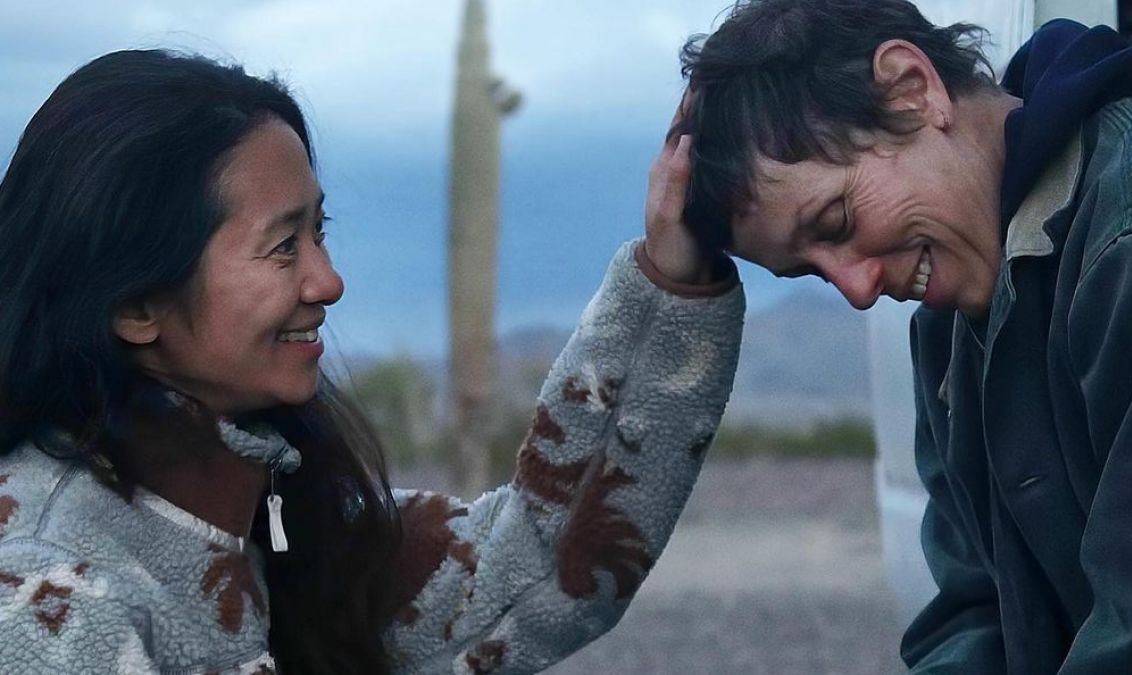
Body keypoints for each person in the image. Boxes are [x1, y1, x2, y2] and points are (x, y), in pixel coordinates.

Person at [0, 49, 744, 674]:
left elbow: (534, 568)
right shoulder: (49, 592)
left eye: (319, 231)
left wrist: (674, 282)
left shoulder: (275, 509)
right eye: (284, 244)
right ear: (135, 306)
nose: (328, 281)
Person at [675, 0, 1132, 671]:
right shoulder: (950, 334)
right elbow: (971, 612)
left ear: (911, 89)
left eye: (835, 220)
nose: (858, 289)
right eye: (809, 270)